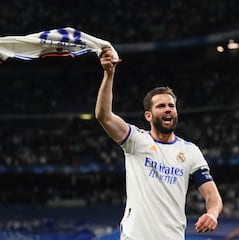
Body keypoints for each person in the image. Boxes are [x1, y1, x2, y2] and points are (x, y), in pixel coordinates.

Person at [95, 48, 223, 240]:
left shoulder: (190, 151)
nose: (168, 110)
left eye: (171, 106)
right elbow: (103, 116)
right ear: (148, 115)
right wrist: (109, 74)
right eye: (161, 106)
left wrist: (212, 213)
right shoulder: (136, 141)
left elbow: (212, 195)